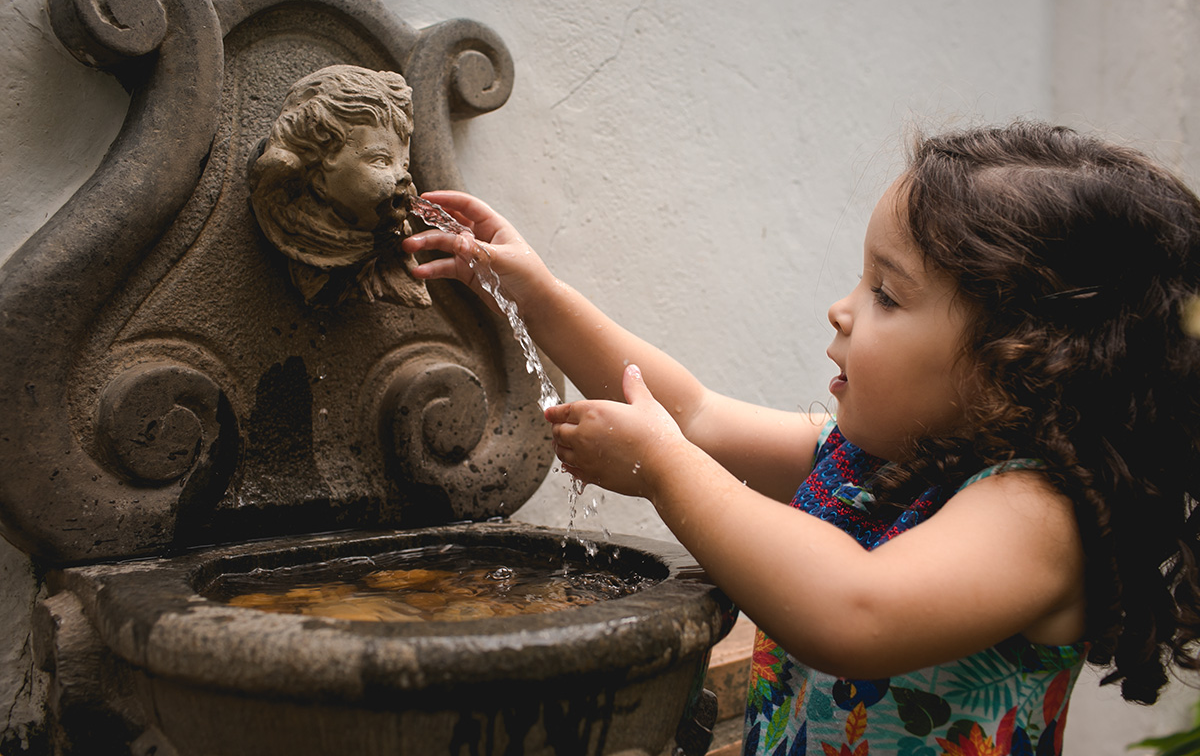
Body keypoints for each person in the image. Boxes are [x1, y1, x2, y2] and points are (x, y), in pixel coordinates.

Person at [402, 121, 1200, 755]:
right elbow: (696, 414)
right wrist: (535, 292)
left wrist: (665, 472)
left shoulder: (1035, 514)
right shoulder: (875, 467)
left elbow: (857, 613)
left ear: (1016, 362)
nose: (842, 308)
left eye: (887, 294)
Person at [249, 64, 430, 307]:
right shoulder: (286, 203)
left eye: (404, 164)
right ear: (317, 176)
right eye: (381, 160)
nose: (405, 178)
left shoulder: (389, 234)